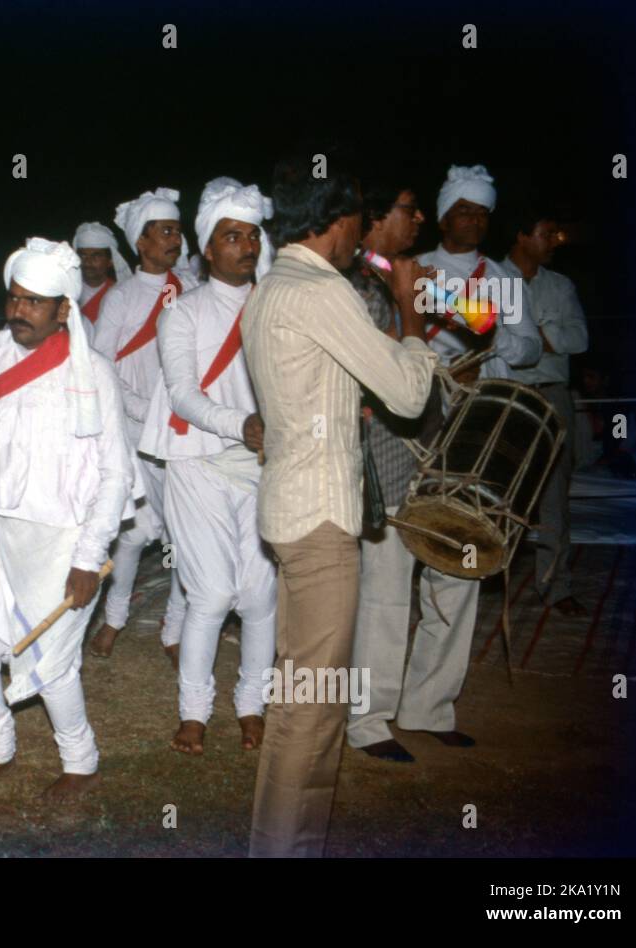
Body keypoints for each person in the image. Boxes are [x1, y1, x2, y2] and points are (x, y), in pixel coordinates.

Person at [244, 156, 437, 857]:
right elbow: (410, 395)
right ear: (335, 219)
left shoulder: (274, 286)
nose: (368, 227)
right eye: (360, 213)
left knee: (299, 698)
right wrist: (413, 310)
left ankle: (279, 843)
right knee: (314, 709)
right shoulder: (324, 292)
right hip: (321, 521)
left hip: (291, 509)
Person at [0, 237, 134, 802]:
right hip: (2, 527)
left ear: (64, 308)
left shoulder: (96, 373)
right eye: (14, 298)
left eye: (34, 302)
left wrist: (89, 557)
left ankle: (81, 761)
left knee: (52, 662)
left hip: (66, 537)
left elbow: (115, 474)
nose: (18, 311)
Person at [138, 181, 278, 754]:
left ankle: (252, 704)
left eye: (252, 236)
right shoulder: (183, 312)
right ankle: (194, 711)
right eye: (231, 236)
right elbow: (181, 394)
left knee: (261, 594)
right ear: (207, 250)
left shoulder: (275, 306)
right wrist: (242, 423)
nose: (245, 246)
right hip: (197, 459)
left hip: (266, 463)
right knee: (213, 594)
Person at [346, 180, 480, 763]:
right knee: (386, 590)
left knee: (459, 572)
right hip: (385, 449)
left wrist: (434, 294)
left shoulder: (404, 271)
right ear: (376, 217)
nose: (420, 216)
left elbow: (483, 321)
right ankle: (368, 719)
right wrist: (410, 304)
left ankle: (430, 704)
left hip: (437, 443)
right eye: (408, 208)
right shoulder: (348, 282)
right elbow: (395, 372)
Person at [88, 188, 193, 660]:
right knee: (131, 534)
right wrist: (134, 406)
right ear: (141, 243)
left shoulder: (191, 287)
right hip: (135, 433)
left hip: (184, 431)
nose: (175, 238)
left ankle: (174, 630)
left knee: (184, 536)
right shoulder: (122, 297)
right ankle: (113, 618)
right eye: (165, 231)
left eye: (177, 230)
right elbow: (100, 361)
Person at [501, 204, 589, 617]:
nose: (554, 240)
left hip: (553, 394)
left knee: (555, 492)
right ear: (521, 235)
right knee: (500, 488)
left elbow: (579, 338)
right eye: (546, 232)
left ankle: (555, 584)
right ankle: (484, 573)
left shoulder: (561, 285)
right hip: (508, 395)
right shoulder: (491, 279)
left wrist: (533, 336)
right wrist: (540, 337)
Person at [416, 165, 542, 382]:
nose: (475, 220)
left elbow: (532, 350)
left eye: (482, 213)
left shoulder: (501, 278)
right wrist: (448, 368)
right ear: (444, 220)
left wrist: (495, 339)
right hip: (430, 399)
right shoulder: (416, 269)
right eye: (464, 211)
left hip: (489, 403)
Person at [72, 221, 130, 325]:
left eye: (96, 256)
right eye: (83, 255)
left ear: (110, 261)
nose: (88, 261)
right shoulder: (68, 292)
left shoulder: (120, 294)